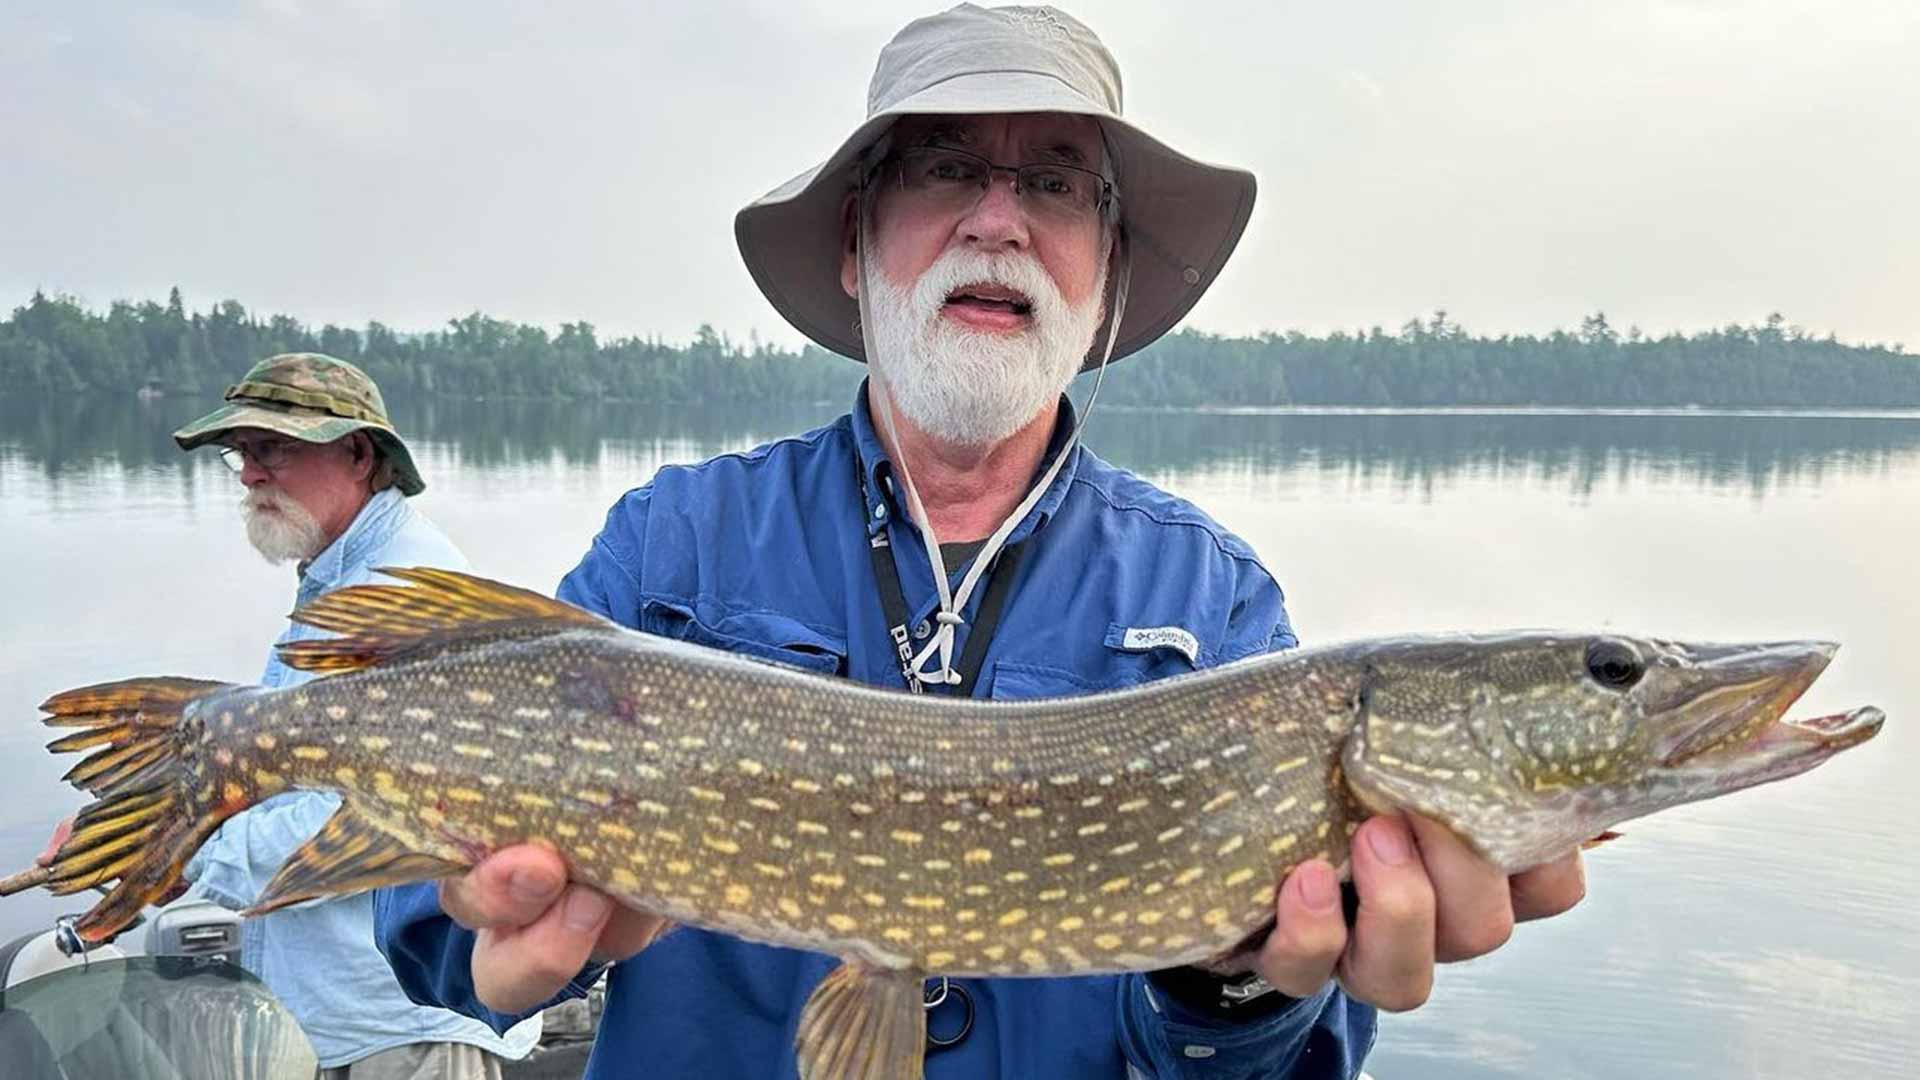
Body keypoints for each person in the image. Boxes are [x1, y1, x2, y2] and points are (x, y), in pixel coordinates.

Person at [373, 6, 1586, 1078]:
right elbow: (424, 949)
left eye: (1057, 185)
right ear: (856, 245)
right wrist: (497, 938)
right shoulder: (676, 544)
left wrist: (1237, 985)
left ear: (1104, 273)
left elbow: (1282, 1065)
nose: (999, 221)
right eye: (946, 168)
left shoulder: (1210, 599)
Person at [80, 353, 539, 1078]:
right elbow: (291, 756)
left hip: (406, 1023)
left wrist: (171, 852)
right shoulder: (343, 574)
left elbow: (360, 814)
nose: (249, 474)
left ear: (358, 453)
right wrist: (137, 815)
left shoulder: (405, 591)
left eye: (275, 449)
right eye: (243, 452)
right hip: (348, 1012)